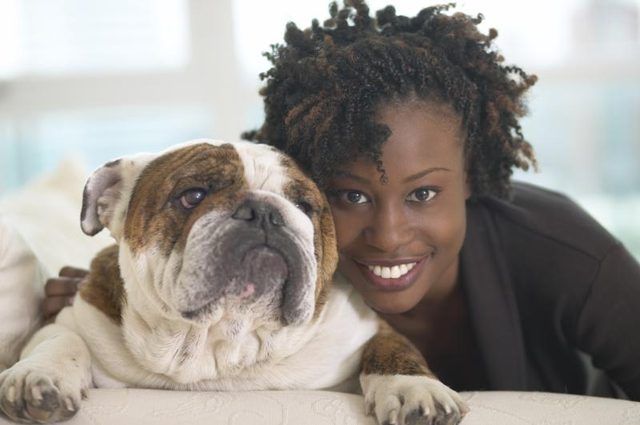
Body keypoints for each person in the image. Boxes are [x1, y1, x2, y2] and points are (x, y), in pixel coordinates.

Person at [43, 1, 640, 399]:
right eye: (350, 195)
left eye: (425, 193)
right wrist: (104, 302)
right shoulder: (282, 246)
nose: (387, 230)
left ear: (473, 180)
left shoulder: (568, 255)